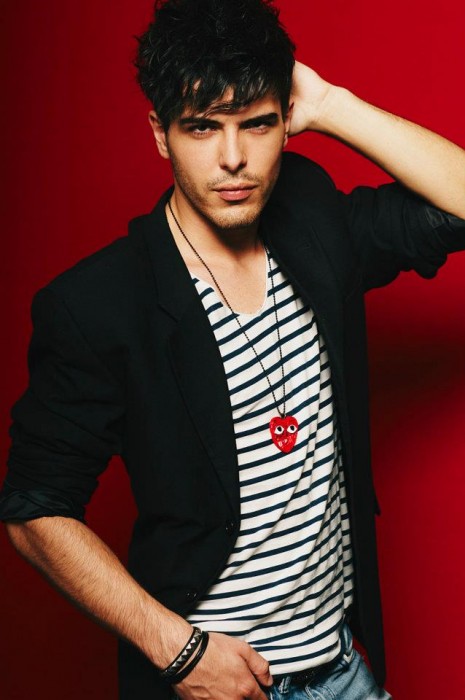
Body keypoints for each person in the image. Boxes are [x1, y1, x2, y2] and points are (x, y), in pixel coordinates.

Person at [1, 0, 464, 698]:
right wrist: (180, 653)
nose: (233, 159)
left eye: (256, 124)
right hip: (214, 682)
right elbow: (35, 509)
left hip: (341, 669)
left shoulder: (313, 221)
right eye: (201, 127)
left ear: (286, 121)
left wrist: (333, 105)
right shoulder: (99, 304)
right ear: (160, 134)